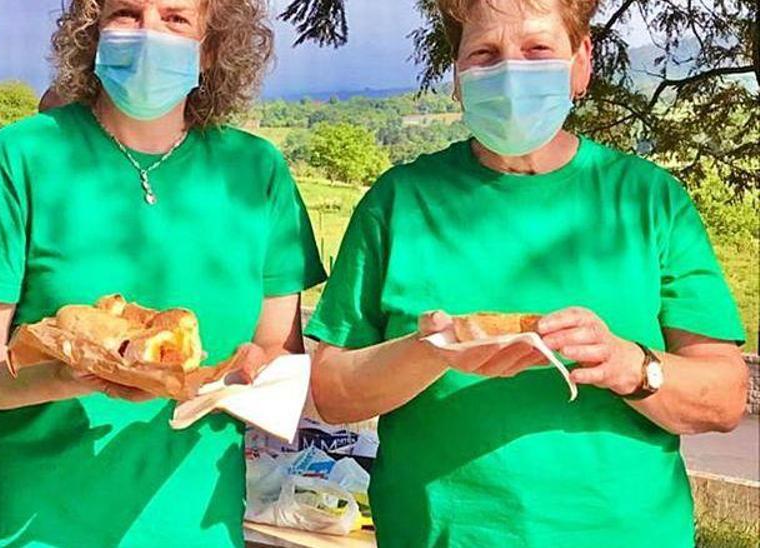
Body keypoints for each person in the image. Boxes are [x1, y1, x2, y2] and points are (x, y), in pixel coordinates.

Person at [305, 0, 750, 546]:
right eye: (485, 54)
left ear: (581, 62)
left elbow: (726, 396)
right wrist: (427, 352)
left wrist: (629, 365)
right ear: (459, 79)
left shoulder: (648, 202)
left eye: (538, 50)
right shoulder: (399, 203)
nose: (510, 73)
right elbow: (330, 392)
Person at [0, 0, 326, 545]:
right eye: (126, 13)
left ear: (210, 49)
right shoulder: (23, 155)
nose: (149, 32)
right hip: (30, 519)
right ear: (92, 33)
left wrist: (255, 371)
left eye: (176, 17)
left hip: (191, 520)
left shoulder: (257, 172)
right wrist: (61, 377)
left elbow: (279, 350)